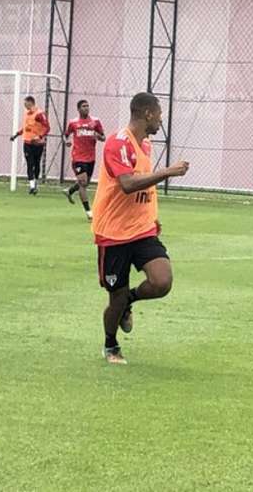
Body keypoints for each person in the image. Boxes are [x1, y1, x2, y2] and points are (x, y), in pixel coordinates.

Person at [92, 92, 190, 365]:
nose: (161, 119)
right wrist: (168, 171)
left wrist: (152, 216)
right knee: (115, 297)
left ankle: (130, 302)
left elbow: (146, 186)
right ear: (148, 114)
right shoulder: (117, 143)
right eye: (159, 113)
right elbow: (128, 183)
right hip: (113, 234)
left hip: (142, 230)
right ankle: (110, 345)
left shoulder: (146, 146)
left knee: (162, 281)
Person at [62, 100, 105, 221]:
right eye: (83, 106)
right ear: (78, 109)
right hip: (78, 157)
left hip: (91, 157)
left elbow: (103, 137)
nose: (86, 108)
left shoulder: (95, 122)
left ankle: (70, 191)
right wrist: (67, 142)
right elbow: (65, 135)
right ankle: (89, 212)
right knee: (83, 183)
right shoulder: (73, 123)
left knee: (85, 183)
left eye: (87, 106)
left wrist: (98, 136)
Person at [10, 96, 50, 194]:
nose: (24, 105)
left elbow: (47, 127)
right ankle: (32, 186)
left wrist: (39, 137)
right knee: (29, 163)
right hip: (27, 143)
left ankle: (35, 183)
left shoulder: (39, 114)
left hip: (38, 144)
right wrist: (16, 135)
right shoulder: (26, 114)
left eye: (25, 103)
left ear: (31, 102)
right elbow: (25, 127)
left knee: (36, 164)